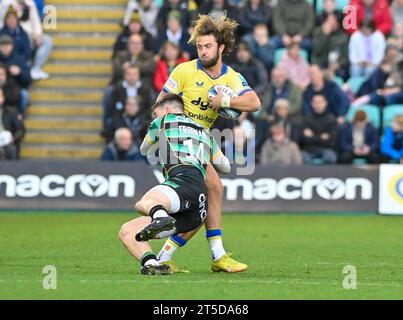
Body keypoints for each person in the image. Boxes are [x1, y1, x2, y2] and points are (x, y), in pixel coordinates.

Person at [156, 14, 261, 273]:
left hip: (202, 143)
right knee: (212, 189)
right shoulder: (184, 71)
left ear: (221, 48)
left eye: (208, 46)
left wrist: (225, 102)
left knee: (206, 199)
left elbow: (254, 103)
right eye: (199, 47)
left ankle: (164, 257)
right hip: (177, 142)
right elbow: (158, 107)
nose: (202, 51)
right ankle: (216, 255)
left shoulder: (231, 78)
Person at [118, 94, 231, 275]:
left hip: (183, 182)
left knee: (145, 202)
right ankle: (152, 263)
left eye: (156, 114)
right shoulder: (204, 132)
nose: (154, 118)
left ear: (168, 110)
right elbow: (225, 167)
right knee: (128, 231)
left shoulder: (163, 122)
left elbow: (143, 150)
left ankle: (161, 217)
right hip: (197, 210)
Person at [300, 94, 339, 164]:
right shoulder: (306, 119)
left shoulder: (331, 120)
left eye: (320, 102)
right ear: (312, 104)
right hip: (309, 150)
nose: (318, 105)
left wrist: (313, 136)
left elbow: (332, 141)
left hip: (326, 149)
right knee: (302, 157)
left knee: (330, 157)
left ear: (325, 103)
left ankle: (327, 175)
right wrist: (321, 137)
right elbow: (304, 140)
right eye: (315, 102)